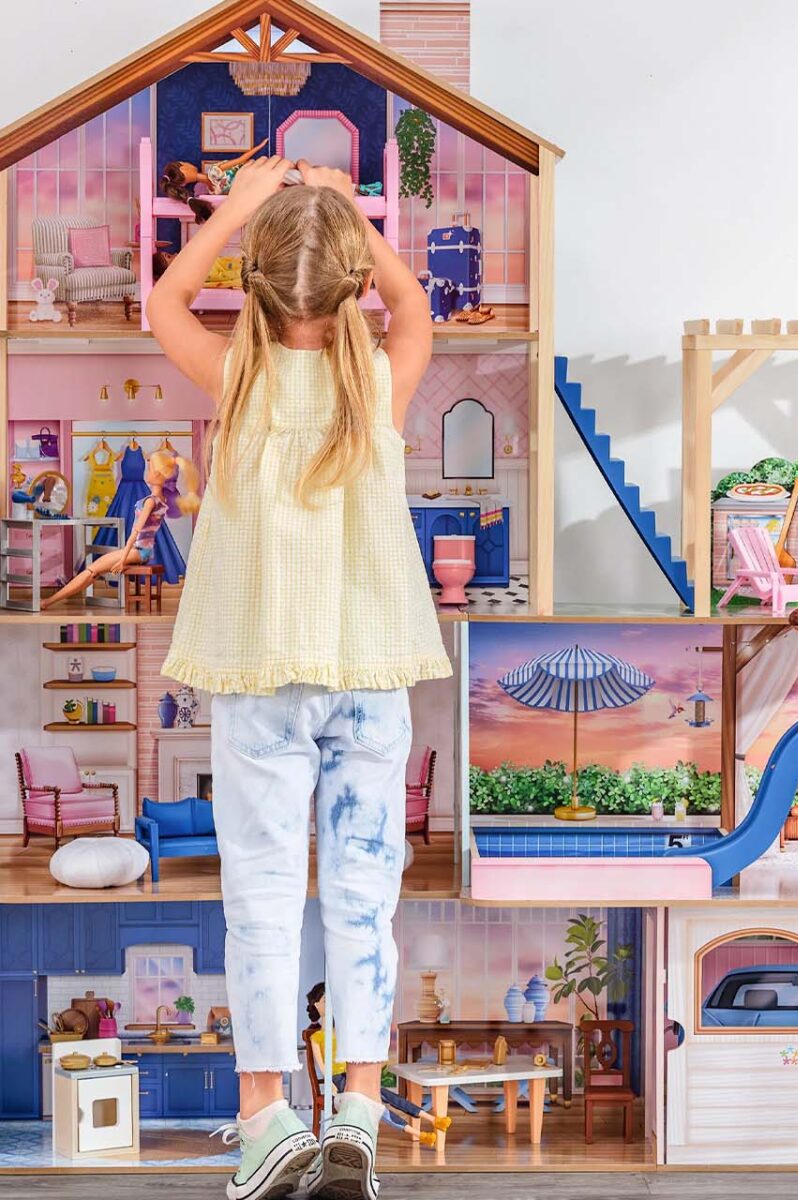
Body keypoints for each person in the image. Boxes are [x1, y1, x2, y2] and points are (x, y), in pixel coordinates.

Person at [149, 152, 447, 1200]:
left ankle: (266, 1120)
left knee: (263, 901)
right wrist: (362, 224)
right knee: (368, 903)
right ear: (358, 280)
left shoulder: (237, 373)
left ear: (259, 285)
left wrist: (237, 207)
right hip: (370, 679)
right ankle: (359, 1108)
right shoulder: (384, 376)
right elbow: (414, 305)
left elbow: (164, 299)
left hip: (261, 676)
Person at [41, 449, 199, 609]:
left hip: (139, 550)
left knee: (92, 570)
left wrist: (122, 560)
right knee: (93, 571)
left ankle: (48, 602)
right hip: (145, 551)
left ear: (158, 475)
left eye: (150, 469)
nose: (146, 472)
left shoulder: (151, 502)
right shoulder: (162, 500)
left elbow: (136, 532)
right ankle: (51, 601)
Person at [305, 982, 450, 1148]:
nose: (331, 1005)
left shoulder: (343, 1032)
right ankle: (419, 1134)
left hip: (353, 1074)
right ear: (316, 1005)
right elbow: (322, 1065)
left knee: (387, 1095)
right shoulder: (316, 1037)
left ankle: (434, 1120)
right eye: (325, 1001)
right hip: (339, 1080)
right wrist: (330, 1083)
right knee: (375, 1104)